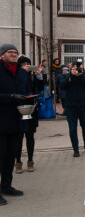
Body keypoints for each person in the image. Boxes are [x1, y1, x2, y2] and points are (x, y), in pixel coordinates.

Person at [0, 43, 32, 206]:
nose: (13, 54)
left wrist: (30, 98)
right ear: (2, 55)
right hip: (1, 120)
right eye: (10, 52)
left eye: (15, 52)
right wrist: (11, 97)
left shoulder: (21, 72)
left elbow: (26, 90)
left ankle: (6, 186)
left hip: (17, 119)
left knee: (10, 156)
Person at [59, 59, 85, 157]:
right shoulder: (67, 76)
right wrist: (71, 75)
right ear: (71, 69)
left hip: (83, 105)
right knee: (72, 128)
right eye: (75, 69)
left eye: (80, 68)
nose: (78, 70)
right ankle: (76, 149)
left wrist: (81, 75)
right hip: (71, 106)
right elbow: (62, 85)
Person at [14, 56, 44, 174]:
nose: (26, 66)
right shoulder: (17, 76)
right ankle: (18, 162)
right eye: (23, 64)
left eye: (28, 64)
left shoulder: (32, 76)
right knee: (18, 138)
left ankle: (30, 161)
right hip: (19, 109)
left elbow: (40, 88)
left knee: (30, 136)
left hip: (31, 109)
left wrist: (39, 75)